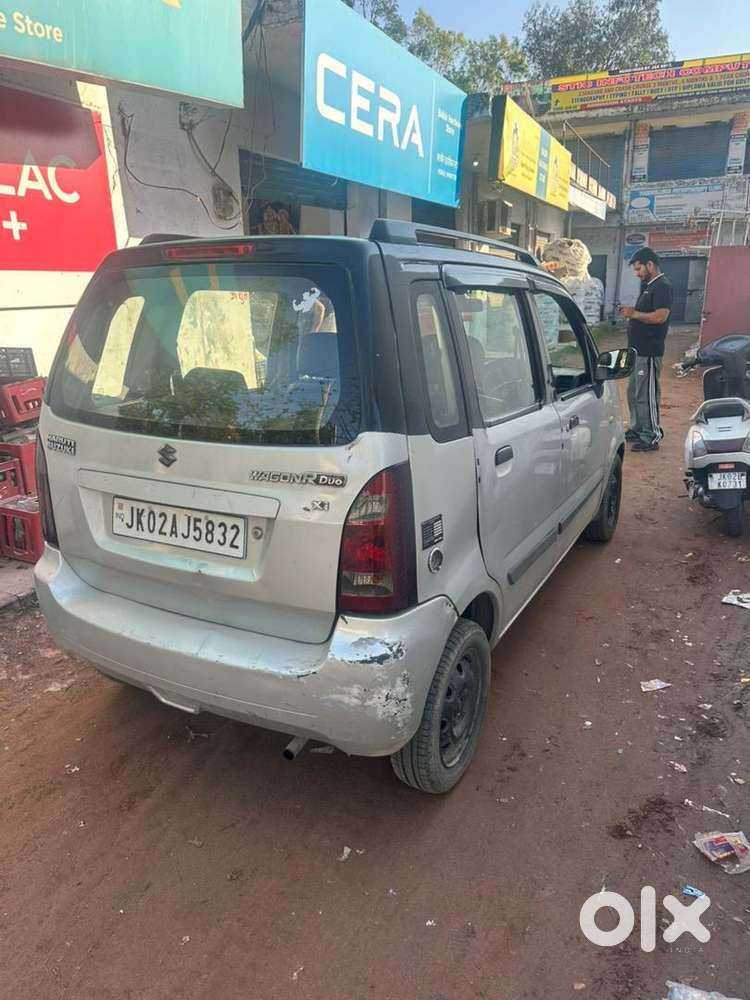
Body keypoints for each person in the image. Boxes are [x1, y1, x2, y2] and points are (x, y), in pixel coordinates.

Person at [618, 247, 673, 452]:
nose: (637, 273)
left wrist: (633, 314)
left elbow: (660, 316)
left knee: (645, 395)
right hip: (637, 351)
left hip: (649, 351)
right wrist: (632, 313)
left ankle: (651, 436)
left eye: (638, 268)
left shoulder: (662, 286)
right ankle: (637, 428)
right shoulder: (649, 286)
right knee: (633, 392)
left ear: (650, 264)